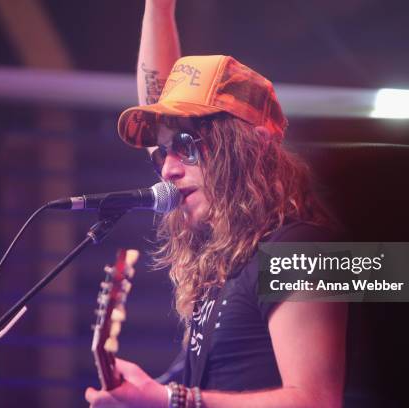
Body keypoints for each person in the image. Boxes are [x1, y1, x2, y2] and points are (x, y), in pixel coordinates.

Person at [85, 1, 347, 407]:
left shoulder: (297, 249)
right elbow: (162, 110)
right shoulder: (227, 259)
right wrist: (157, 8)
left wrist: (170, 399)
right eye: (162, 154)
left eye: (187, 147)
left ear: (250, 149)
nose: (167, 169)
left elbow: (316, 401)